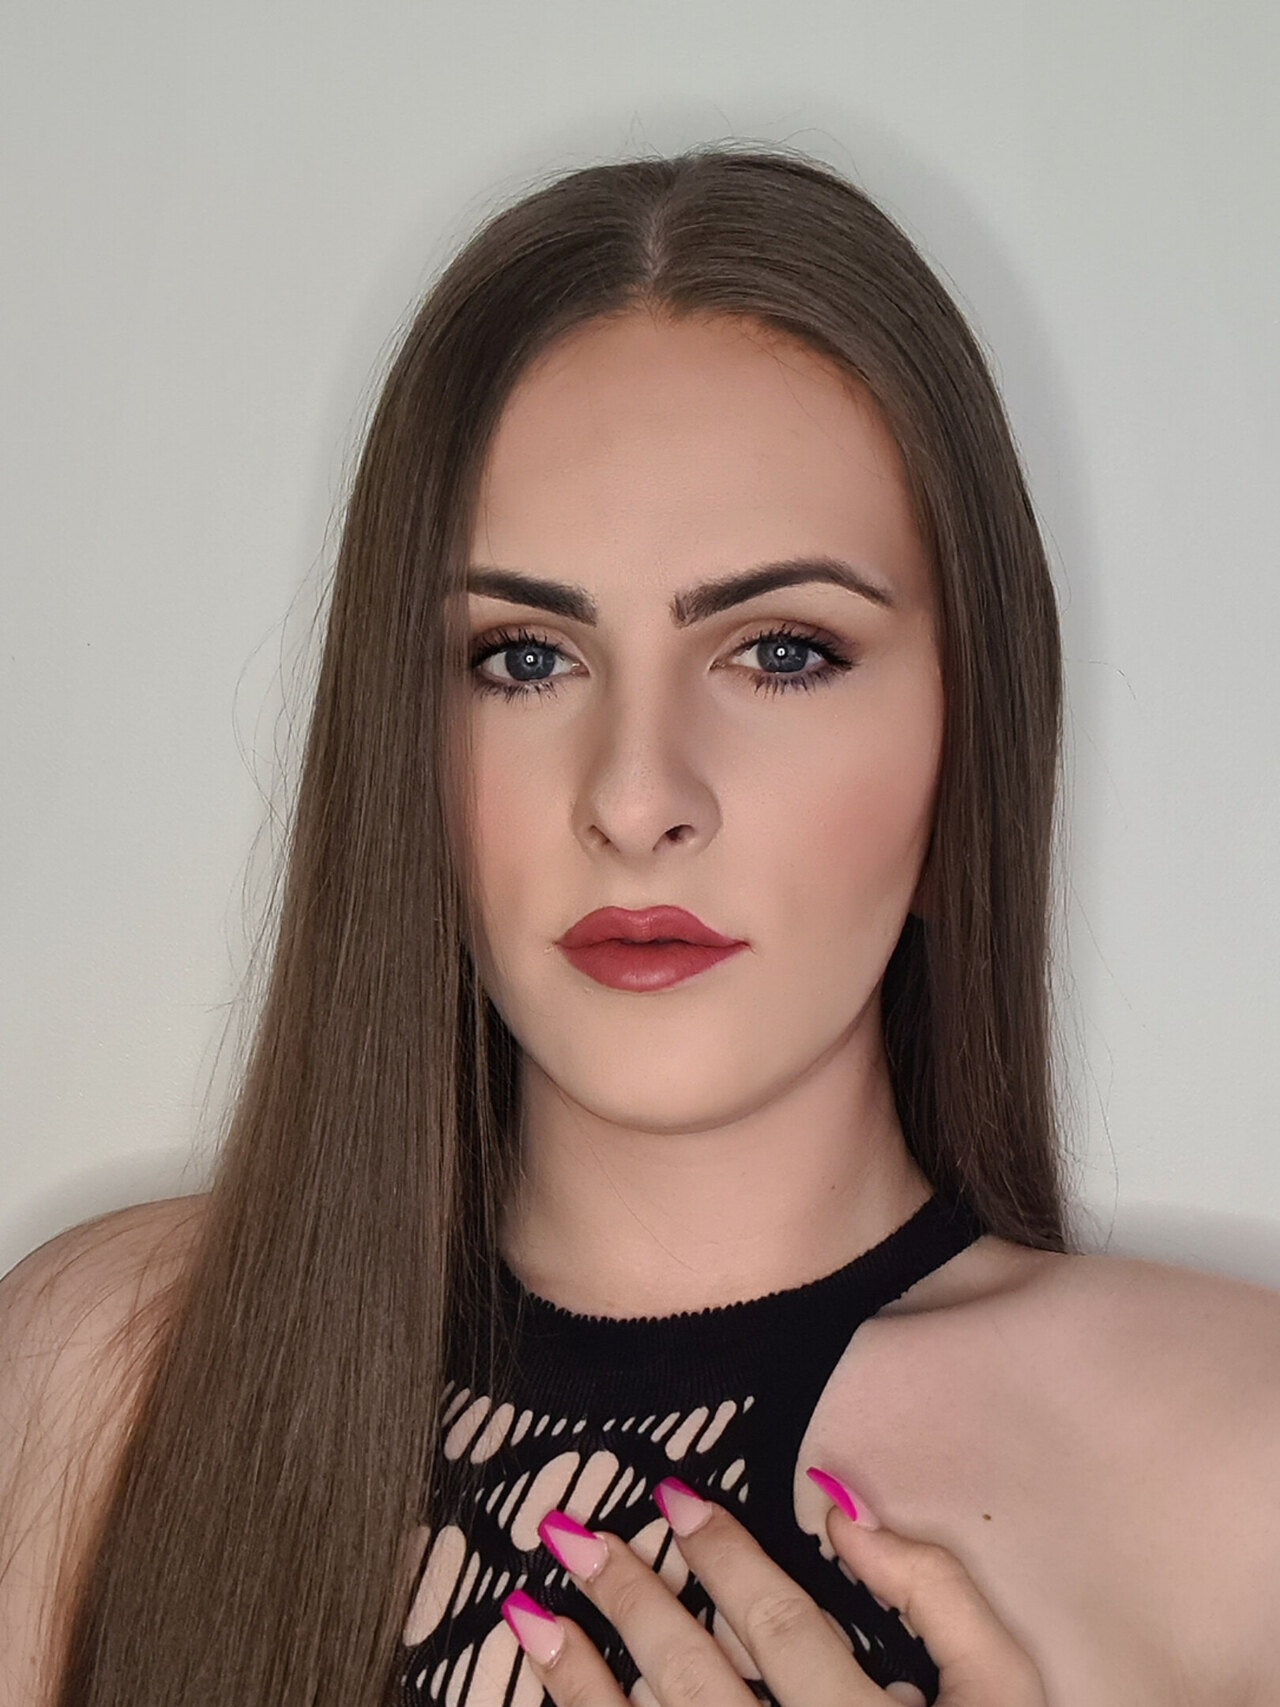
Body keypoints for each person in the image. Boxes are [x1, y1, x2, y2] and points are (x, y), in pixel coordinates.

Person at [1, 143, 1277, 1707]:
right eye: (524, 658)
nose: (636, 797)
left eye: (784, 652)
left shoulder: (1238, 1475)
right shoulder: (107, 1375)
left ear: (972, 743)